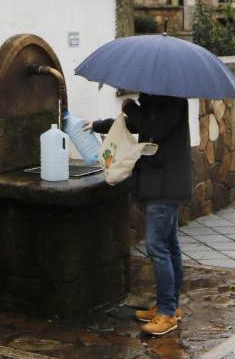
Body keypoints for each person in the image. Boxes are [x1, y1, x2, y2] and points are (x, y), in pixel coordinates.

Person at [88, 93, 191, 337]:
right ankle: (171, 306)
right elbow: (138, 124)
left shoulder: (174, 99)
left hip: (165, 186)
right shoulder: (158, 97)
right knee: (170, 246)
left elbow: (154, 128)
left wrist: (132, 107)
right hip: (163, 183)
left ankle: (166, 314)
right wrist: (97, 125)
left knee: (157, 247)